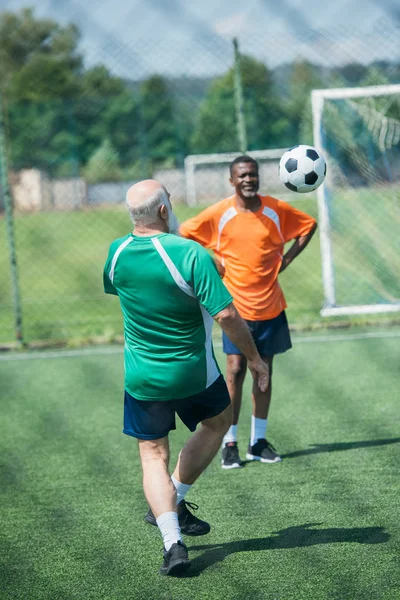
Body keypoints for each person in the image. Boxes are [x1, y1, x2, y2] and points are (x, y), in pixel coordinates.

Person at [103, 179, 269, 577]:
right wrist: (255, 359)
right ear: (164, 211)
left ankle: (172, 543)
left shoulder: (116, 252)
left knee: (151, 456)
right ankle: (176, 496)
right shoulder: (191, 253)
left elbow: (126, 289)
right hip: (193, 372)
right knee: (219, 421)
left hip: (142, 377)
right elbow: (226, 314)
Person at [180, 156, 317, 469]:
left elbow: (308, 226)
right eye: (242, 175)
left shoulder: (276, 210)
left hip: (270, 305)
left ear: (258, 178)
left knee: (264, 372)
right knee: (235, 370)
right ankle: (230, 442)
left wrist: (287, 260)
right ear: (232, 181)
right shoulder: (220, 213)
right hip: (236, 309)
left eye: (253, 174)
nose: (248, 180)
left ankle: (258, 441)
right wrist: (213, 261)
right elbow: (185, 234)